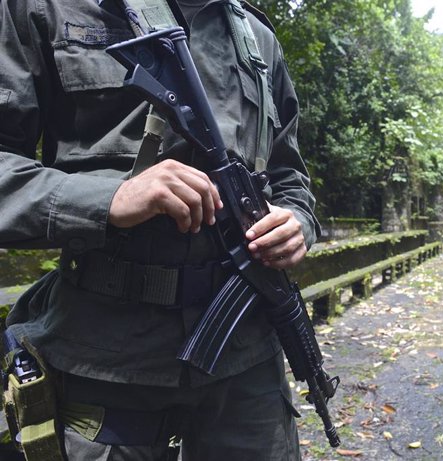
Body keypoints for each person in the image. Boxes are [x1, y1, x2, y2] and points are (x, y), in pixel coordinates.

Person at [0, 0, 319, 459]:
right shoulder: (48, 8)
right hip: (106, 365)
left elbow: (289, 177)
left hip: (247, 362)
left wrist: (298, 223)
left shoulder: (257, 38)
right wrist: (107, 199)